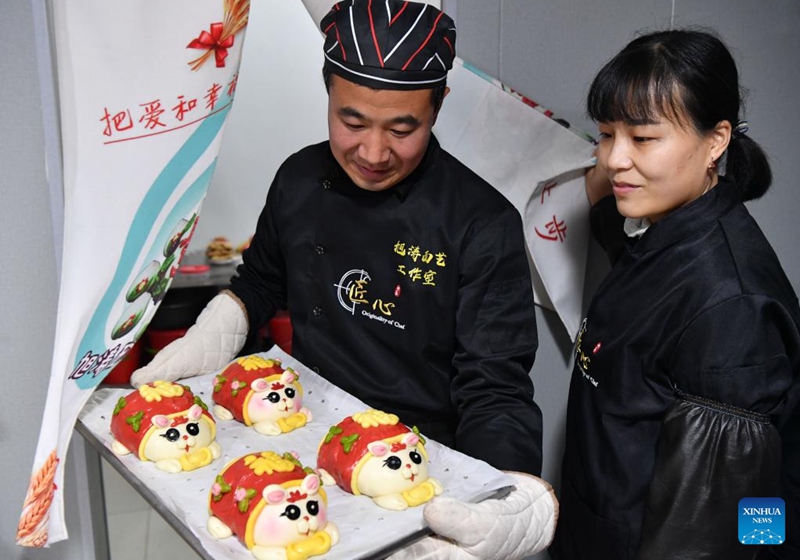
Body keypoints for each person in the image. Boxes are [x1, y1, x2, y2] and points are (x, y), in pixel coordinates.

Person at [132, 1, 557, 558]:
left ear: (438, 106)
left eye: (403, 129)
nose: (373, 153)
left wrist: (505, 493)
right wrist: (212, 336)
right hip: (303, 438)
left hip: (418, 471)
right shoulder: (299, 179)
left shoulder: (481, 222)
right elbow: (261, 284)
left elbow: (495, 387)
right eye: (351, 121)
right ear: (327, 89)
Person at [550, 29, 800, 560]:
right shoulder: (664, 225)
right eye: (606, 134)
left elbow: (727, 527)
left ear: (716, 141)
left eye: (643, 139)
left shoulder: (734, 307)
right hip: (595, 528)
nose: (615, 160)